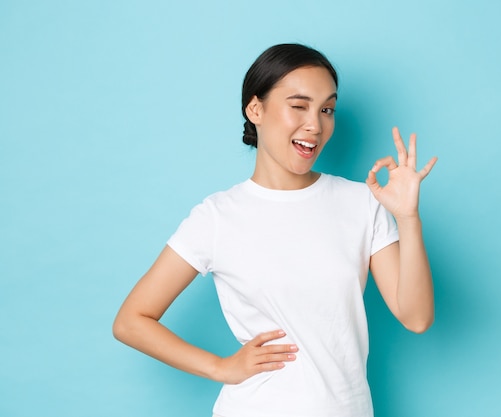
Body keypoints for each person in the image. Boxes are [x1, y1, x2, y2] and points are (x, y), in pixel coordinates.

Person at [113, 43, 437, 417]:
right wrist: (221, 367)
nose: (315, 125)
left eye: (326, 109)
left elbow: (416, 317)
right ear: (256, 110)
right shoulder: (217, 216)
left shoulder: (362, 203)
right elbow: (131, 321)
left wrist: (408, 217)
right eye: (298, 106)